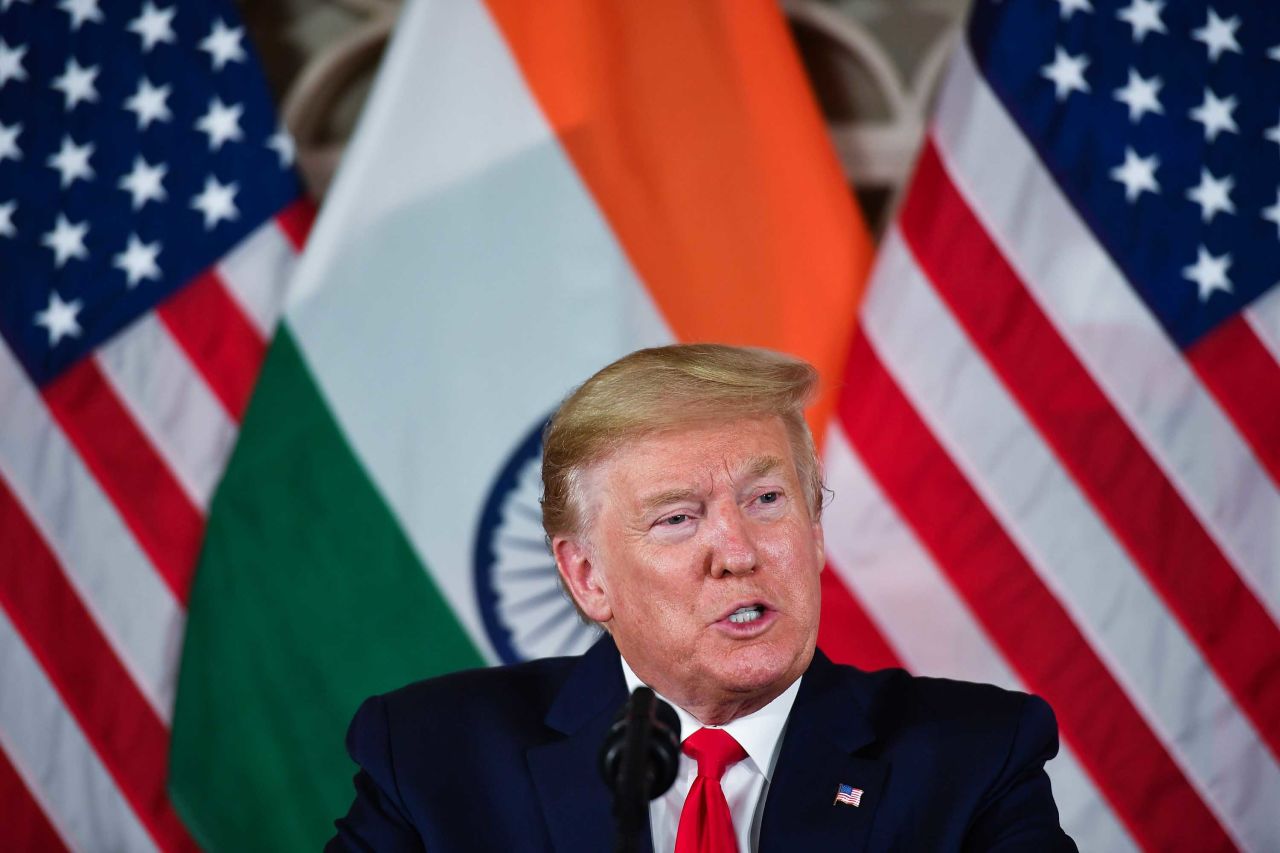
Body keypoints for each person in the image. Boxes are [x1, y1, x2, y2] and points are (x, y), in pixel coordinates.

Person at [327, 344, 1077, 852]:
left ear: (814, 531)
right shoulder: (433, 758)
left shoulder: (972, 759)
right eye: (679, 518)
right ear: (587, 576)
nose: (740, 551)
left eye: (767, 498)